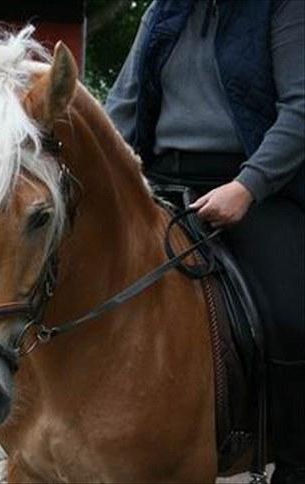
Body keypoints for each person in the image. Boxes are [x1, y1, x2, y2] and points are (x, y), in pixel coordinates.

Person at [104, 0, 304, 482]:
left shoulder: (282, 8)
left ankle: (296, 459)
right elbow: (120, 109)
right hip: (158, 185)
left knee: (294, 314)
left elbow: (300, 109)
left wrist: (248, 186)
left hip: (253, 188)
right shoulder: (160, 12)